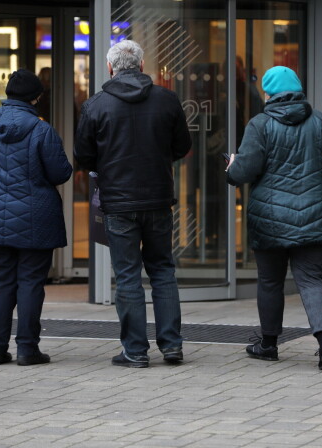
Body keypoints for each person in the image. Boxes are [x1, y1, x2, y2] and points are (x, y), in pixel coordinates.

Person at [226, 66, 322, 371]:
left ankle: (269, 344)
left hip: (269, 219)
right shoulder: (321, 124)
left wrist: (232, 167)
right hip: (314, 218)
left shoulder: (259, 125)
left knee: (271, 282)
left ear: (268, 93)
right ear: (298, 90)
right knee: (311, 280)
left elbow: (243, 173)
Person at [74, 40, 192, 368]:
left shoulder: (96, 105)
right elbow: (183, 145)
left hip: (118, 201)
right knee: (163, 271)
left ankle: (135, 351)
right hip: (157, 198)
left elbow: (83, 156)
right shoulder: (167, 100)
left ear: (111, 68)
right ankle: (172, 346)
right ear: (141, 66)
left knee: (127, 276)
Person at [0, 69, 72, 367]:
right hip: (36, 216)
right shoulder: (42, 130)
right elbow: (61, 172)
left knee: (1, 280)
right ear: (36, 97)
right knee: (31, 281)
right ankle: (27, 350)